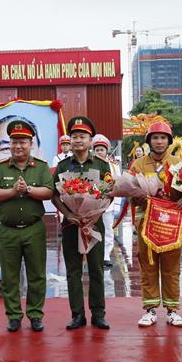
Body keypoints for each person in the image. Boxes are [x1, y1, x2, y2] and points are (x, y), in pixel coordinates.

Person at [0, 119, 55, 332]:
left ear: (31, 143)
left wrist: (29, 190)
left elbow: (49, 192)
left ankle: (35, 314)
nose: (18, 146)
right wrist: (13, 191)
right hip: (8, 231)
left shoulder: (41, 167)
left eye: (22, 141)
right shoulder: (0, 168)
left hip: (34, 228)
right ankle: (14, 316)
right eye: (14, 141)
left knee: (36, 275)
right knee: (9, 277)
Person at [54, 116, 111, 331]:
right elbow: (55, 195)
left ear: (90, 139)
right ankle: (77, 314)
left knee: (96, 268)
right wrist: (68, 214)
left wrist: (97, 214)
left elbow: (110, 192)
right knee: (73, 270)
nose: (78, 141)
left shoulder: (102, 164)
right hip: (71, 225)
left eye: (82, 136)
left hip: (94, 224)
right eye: (74, 136)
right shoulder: (62, 166)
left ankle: (98, 313)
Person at [131, 121, 182, 327]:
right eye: (155, 137)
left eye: (163, 138)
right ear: (149, 141)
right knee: (148, 265)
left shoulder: (179, 163)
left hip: (171, 223)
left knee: (172, 267)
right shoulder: (138, 164)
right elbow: (130, 190)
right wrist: (141, 197)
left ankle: (172, 310)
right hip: (146, 223)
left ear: (169, 141)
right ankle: (150, 309)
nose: (159, 141)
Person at [91, 133, 120, 267]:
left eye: (102, 149)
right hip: (92, 204)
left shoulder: (114, 166)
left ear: (106, 150)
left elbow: (119, 185)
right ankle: (94, 254)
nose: (100, 152)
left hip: (109, 204)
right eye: (97, 150)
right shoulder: (90, 164)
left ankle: (106, 254)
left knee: (108, 229)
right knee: (94, 229)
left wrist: (118, 205)